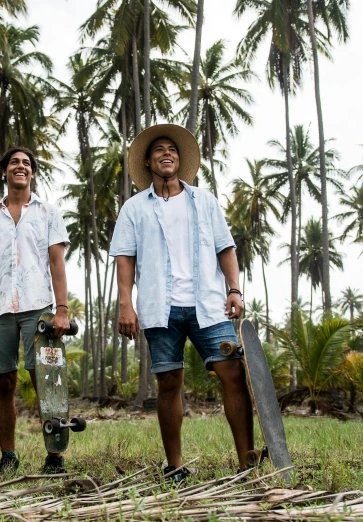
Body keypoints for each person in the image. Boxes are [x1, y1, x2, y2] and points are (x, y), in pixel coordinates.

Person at [109, 124, 255, 482]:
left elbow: (226, 248)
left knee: (233, 372)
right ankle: (174, 466)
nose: (166, 153)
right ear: (148, 161)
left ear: (180, 159)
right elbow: (125, 258)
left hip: (209, 305)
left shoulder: (204, 201)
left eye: (171, 149)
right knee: (169, 381)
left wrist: (234, 290)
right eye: (158, 149)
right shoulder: (134, 209)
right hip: (161, 307)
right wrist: (125, 304)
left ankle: (246, 462)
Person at [0, 146, 71, 476]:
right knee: (3, 384)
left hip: (38, 308)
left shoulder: (48, 213)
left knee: (46, 381)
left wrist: (62, 310)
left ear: (32, 173)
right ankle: (8, 456)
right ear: (4, 171)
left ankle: (55, 456)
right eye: (14, 162)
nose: (20, 166)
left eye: (26, 163)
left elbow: (57, 262)